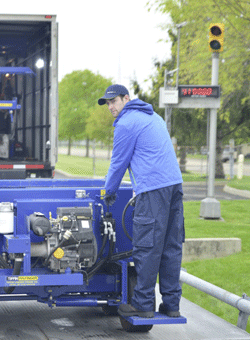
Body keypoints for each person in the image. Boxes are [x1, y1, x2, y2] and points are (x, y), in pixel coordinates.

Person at [98, 84, 184, 318]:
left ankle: (144, 305)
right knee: (171, 246)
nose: (110, 107)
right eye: (107, 103)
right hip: (175, 186)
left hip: (153, 191)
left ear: (126, 98)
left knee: (147, 247)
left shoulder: (126, 123)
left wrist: (108, 193)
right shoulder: (152, 116)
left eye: (113, 101)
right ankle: (172, 305)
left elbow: (118, 163)